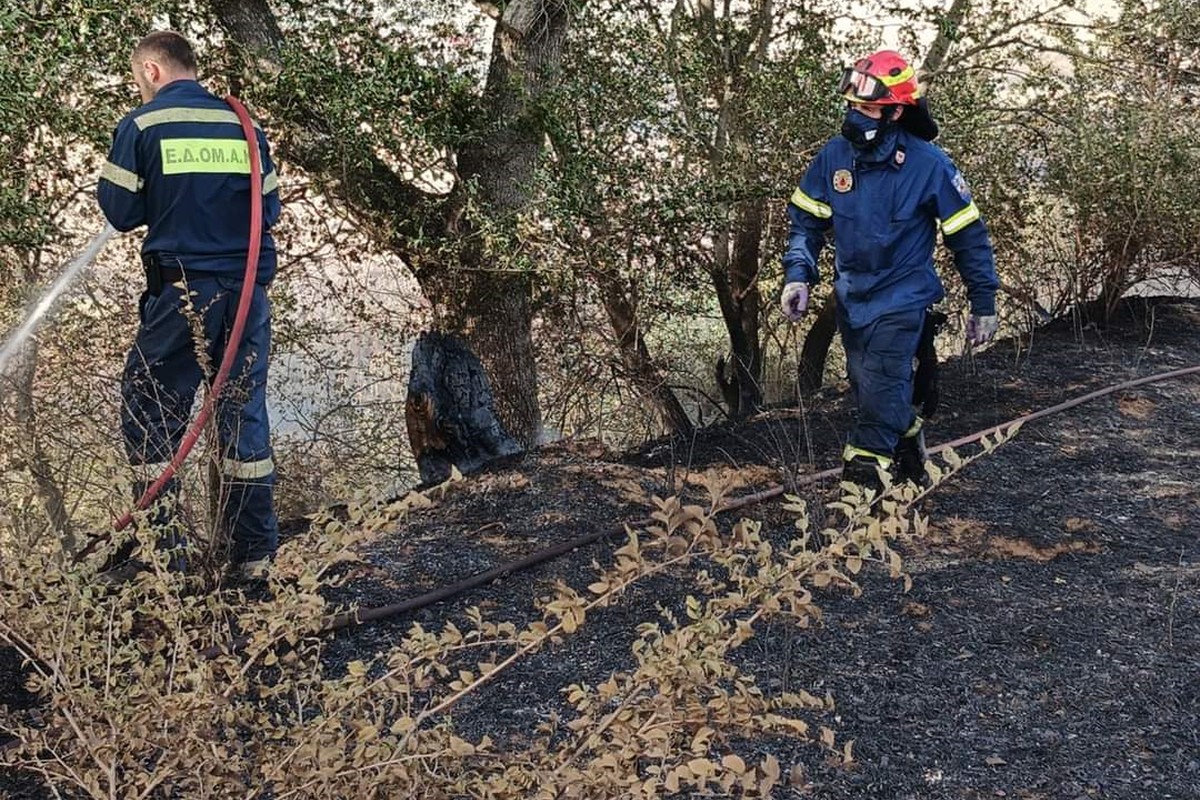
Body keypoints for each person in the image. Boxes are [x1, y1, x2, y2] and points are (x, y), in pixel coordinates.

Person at [97, 31, 281, 580]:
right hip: (247, 295)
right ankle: (252, 558)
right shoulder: (244, 126)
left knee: (151, 408)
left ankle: (168, 558)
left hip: (180, 294)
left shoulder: (142, 125)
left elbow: (120, 212)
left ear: (152, 71)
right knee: (241, 415)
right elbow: (266, 209)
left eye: (139, 79)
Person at [780, 50, 999, 492]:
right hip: (853, 301)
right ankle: (911, 437)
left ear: (896, 110)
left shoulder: (929, 165)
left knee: (875, 407)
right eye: (853, 106)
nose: (855, 116)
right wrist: (798, 274)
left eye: (866, 108)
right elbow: (806, 222)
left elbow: (968, 237)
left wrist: (984, 303)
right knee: (870, 390)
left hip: (902, 301)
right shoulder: (834, 158)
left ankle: (858, 504)